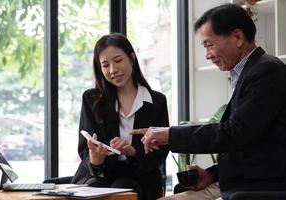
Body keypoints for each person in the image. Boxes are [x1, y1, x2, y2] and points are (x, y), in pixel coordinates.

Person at [131, 3, 286, 200]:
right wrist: (212, 174)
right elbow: (252, 145)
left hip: (261, 188)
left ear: (237, 37)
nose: (208, 55)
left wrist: (170, 135)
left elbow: (237, 133)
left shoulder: (266, 71)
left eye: (209, 45)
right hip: (239, 184)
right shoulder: (250, 72)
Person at [71, 33, 170, 200]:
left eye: (118, 61)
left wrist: (133, 152)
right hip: (100, 174)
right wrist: (96, 160)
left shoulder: (156, 101)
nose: (112, 70)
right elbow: (84, 149)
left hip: (140, 177)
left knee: (122, 188)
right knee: (96, 188)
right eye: (105, 65)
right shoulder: (92, 99)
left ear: (131, 59)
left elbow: (159, 154)